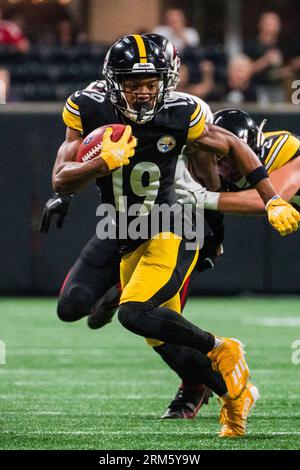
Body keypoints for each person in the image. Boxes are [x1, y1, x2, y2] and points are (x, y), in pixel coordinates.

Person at [44, 34, 299, 436]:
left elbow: (232, 146)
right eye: (132, 84)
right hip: (122, 224)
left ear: (168, 80)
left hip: (172, 222)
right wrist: (97, 165)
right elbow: (61, 178)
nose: (143, 94)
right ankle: (230, 383)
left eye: (151, 84)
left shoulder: (185, 113)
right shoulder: (87, 106)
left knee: (141, 316)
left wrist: (271, 200)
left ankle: (215, 365)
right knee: (78, 308)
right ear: (113, 83)